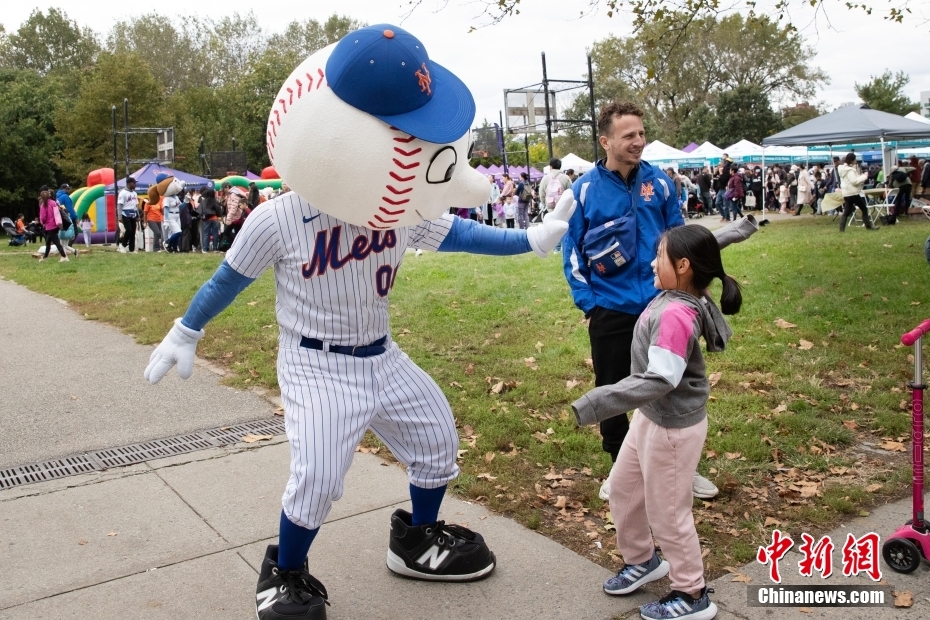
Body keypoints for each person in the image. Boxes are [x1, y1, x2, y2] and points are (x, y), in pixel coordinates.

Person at [561, 101, 730, 503]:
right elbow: (571, 253)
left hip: (665, 305)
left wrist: (687, 294)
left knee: (671, 385)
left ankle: (679, 468)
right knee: (614, 387)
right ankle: (621, 468)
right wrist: (591, 304)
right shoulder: (583, 190)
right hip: (611, 309)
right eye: (629, 136)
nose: (639, 141)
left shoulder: (662, 182)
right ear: (605, 141)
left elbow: (681, 238)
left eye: (641, 134)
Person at [572, 224, 740, 620]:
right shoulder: (678, 291)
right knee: (623, 490)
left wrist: (597, 402)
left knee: (668, 513)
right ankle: (644, 561)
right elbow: (708, 245)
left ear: (683, 266)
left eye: (659, 255)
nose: (651, 261)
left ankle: (692, 593)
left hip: (673, 428)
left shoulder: (677, 315)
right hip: (650, 419)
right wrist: (741, 229)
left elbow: (660, 379)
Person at [837, 152, 877, 231]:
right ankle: (868, 226)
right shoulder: (850, 170)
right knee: (864, 209)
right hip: (853, 193)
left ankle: (841, 229)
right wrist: (864, 177)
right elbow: (854, 181)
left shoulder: (842, 169)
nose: (856, 160)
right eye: (855, 159)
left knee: (846, 211)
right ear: (852, 160)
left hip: (846, 193)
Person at [37, 186, 68, 262]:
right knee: (48, 242)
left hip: (49, 226)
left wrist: (42, 222)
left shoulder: (43, 206)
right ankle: (45, 257)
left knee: (56, 242)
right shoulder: (53, 203)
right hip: (56, 224)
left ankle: (64, 256)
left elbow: (43, 218)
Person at [882, 161, 915, 225]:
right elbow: (913, 168)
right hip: (908, 184)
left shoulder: (892, 175)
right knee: (907, 199)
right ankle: (907, 212)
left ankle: (896, 213)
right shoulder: (903, 169)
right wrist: (905, 172)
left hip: (899, 187)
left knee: (898, 200)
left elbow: (891, 185)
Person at [199, 186, 222, 252]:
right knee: (215, 234)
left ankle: (205, 248)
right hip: (214, 218)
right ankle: (215, 248)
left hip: (206, 219)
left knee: (206, 234)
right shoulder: (215, 201)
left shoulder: (203, 201)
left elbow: (201, 210)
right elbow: (218, 210)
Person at [56, 184, 78, 251]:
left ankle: (63, 247)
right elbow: (70, 208)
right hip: (68, 217)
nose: (69, 190)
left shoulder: (57, 197)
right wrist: (75, 217)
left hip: (61, 217)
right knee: (74, 232)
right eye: (68, 189)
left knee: (63, 233)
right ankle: (68, 247)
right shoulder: (65, 196)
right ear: (64, 189)